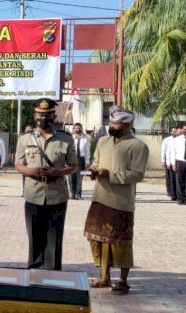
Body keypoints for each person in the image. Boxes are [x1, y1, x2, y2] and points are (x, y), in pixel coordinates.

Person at [85, 105, 148, 295]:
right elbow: (96, 161)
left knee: (120, 240)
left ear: (127, 125)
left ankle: (122, 280)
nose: (111, 125)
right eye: (111, 122)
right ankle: (104, 276)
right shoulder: (103, 141)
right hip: (99, 196)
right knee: (96, 238)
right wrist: (95, 169)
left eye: (116, 123)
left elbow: (137, 174)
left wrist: (110, 174)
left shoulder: (138, 146)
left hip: (121, 201)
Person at [14, 98, 77, 270]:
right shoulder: (24, 139)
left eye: (47, 115)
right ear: (35, 116)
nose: (44, 118)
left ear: (53, 115)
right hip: (33, 194)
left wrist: (57, 172)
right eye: (40, 115)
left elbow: (73, 166)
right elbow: (18, 164)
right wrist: (31, 172)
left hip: (57, 195)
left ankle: (52, 275)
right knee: (34, 237)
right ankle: (34, 272)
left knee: (54, 239)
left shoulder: (65, 139)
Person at [69, 123, 91, 200]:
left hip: (81, 159)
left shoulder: (85, 138)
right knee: (71, 178)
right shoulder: (70, 138)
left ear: (81, 128)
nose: (78, 129)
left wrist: (87, 162)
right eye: (76, 128)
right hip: (71, 159)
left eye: (79, 128)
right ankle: (72, 194)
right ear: (74, 129)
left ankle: (78, 194)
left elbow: (87, 151)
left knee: (79, 178)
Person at [169, 124, 186, 205]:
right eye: (184, 129)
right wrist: (173, 164)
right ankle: (181, 198)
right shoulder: (177, 140)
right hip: (180, 162)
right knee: (180, 181)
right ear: (182, 130)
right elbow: (173, 152)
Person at [162, 127, 179, 201]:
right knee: (169, 177)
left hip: (177, 161)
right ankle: (169, 191)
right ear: (170, 132)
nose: (175, 132)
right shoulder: (167, 140)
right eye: (174, 131)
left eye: (176, 131)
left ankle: (175, 192)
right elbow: (164, 151)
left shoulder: (179, 139)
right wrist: (163, 161)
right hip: (168, 160)